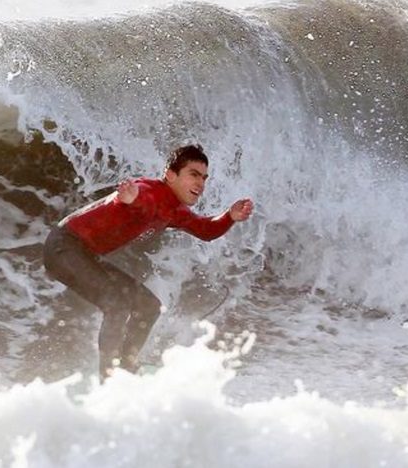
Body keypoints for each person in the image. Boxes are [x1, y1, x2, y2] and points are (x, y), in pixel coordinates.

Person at [43, 144, 254, 379]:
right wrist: (131, 198)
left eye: (204, 177)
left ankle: (126, 365)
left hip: (85, 253)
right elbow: (141, 199)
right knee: (117, 305)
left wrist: (229, 216)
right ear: (171, 174)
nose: (200, 184)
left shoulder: (175, 210)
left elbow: (205, 230)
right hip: (63, 247)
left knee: (148, 306)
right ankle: (108, 377)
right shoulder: (150, 191)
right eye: (193, 175)